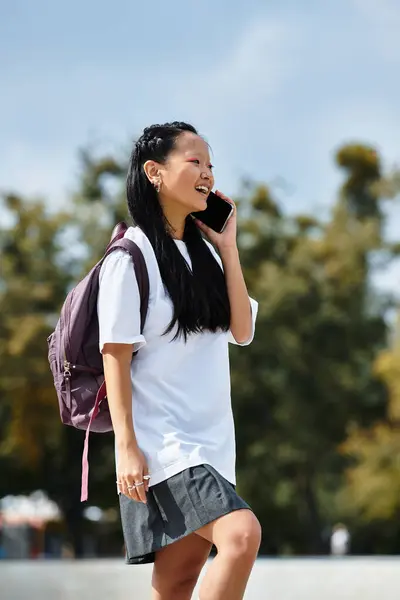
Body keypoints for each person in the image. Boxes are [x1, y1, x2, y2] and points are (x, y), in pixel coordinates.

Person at [97, 121, 261, 600]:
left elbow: (243, 331)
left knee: (176, 582)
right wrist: (127, 447)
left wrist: (227, 248)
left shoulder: (205, 256)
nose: (208, 174)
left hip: (212, 445)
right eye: (195, 162)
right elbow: (115, 354)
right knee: (242, 535)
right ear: (154, 171)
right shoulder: (130, 257)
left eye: (211, 165)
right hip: (164, 449)